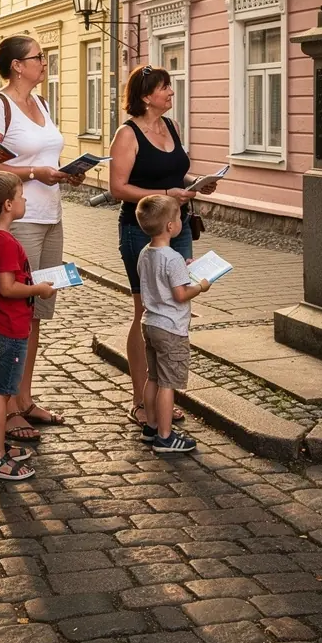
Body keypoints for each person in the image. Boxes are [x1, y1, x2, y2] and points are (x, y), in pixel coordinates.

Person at [0, 35, 83, 440]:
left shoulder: (42, 103)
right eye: (39, 57)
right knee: (12, 316)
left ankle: (23, 397)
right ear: (17, 65)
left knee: (35, 313)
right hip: (18, 222)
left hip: (51, 215)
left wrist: (65, 172)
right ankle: (6, 403)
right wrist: (35, 173)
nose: (45, 63)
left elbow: (44, 157)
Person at [109, 64, 217, 429]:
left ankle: (163, 393)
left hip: (180, 225)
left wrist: (194, 184)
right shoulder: (127, 135)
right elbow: (118, 188)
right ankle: (141, 399)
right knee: (147, 310)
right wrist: (165, 194)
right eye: (165, 88)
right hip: (141, 230)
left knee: (175, 300)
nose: (171, 92)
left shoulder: (171, 126)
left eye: (170, 87)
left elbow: (173, 174)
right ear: (145, 96)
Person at [0, 171, 56, 480]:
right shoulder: (7, 243)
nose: (24, 200)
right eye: (21, 197)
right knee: (2, 393)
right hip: (9, 327)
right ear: (8, 205)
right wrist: (38, 289)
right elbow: (7, 288)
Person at [136, 194, 212, 454]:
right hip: (171, 328)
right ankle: (166, 437)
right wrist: (200, 286)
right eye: (179, 217)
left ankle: (151, 427)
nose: (181, 221)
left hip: (150, 323)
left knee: (153, 378)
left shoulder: (146, 253)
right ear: (170, 226)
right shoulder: (173, 258)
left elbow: (161, 282)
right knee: (168, 383)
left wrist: (185, 270)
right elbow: (180, 294)